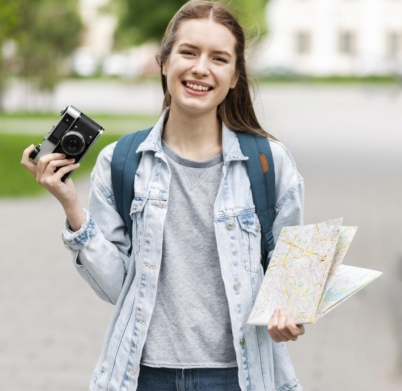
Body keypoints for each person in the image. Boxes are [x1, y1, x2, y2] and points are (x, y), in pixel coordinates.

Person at [21, 1, 305, 390]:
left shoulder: (270, 162)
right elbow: (116, 288)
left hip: (239, 376)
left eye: (219, 58)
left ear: (235, 76)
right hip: (142, 374)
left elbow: (292, 278)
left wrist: (289, 313)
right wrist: (71, 206)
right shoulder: (120, 161)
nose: (200, 68)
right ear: (163, 61)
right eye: (188, 52)